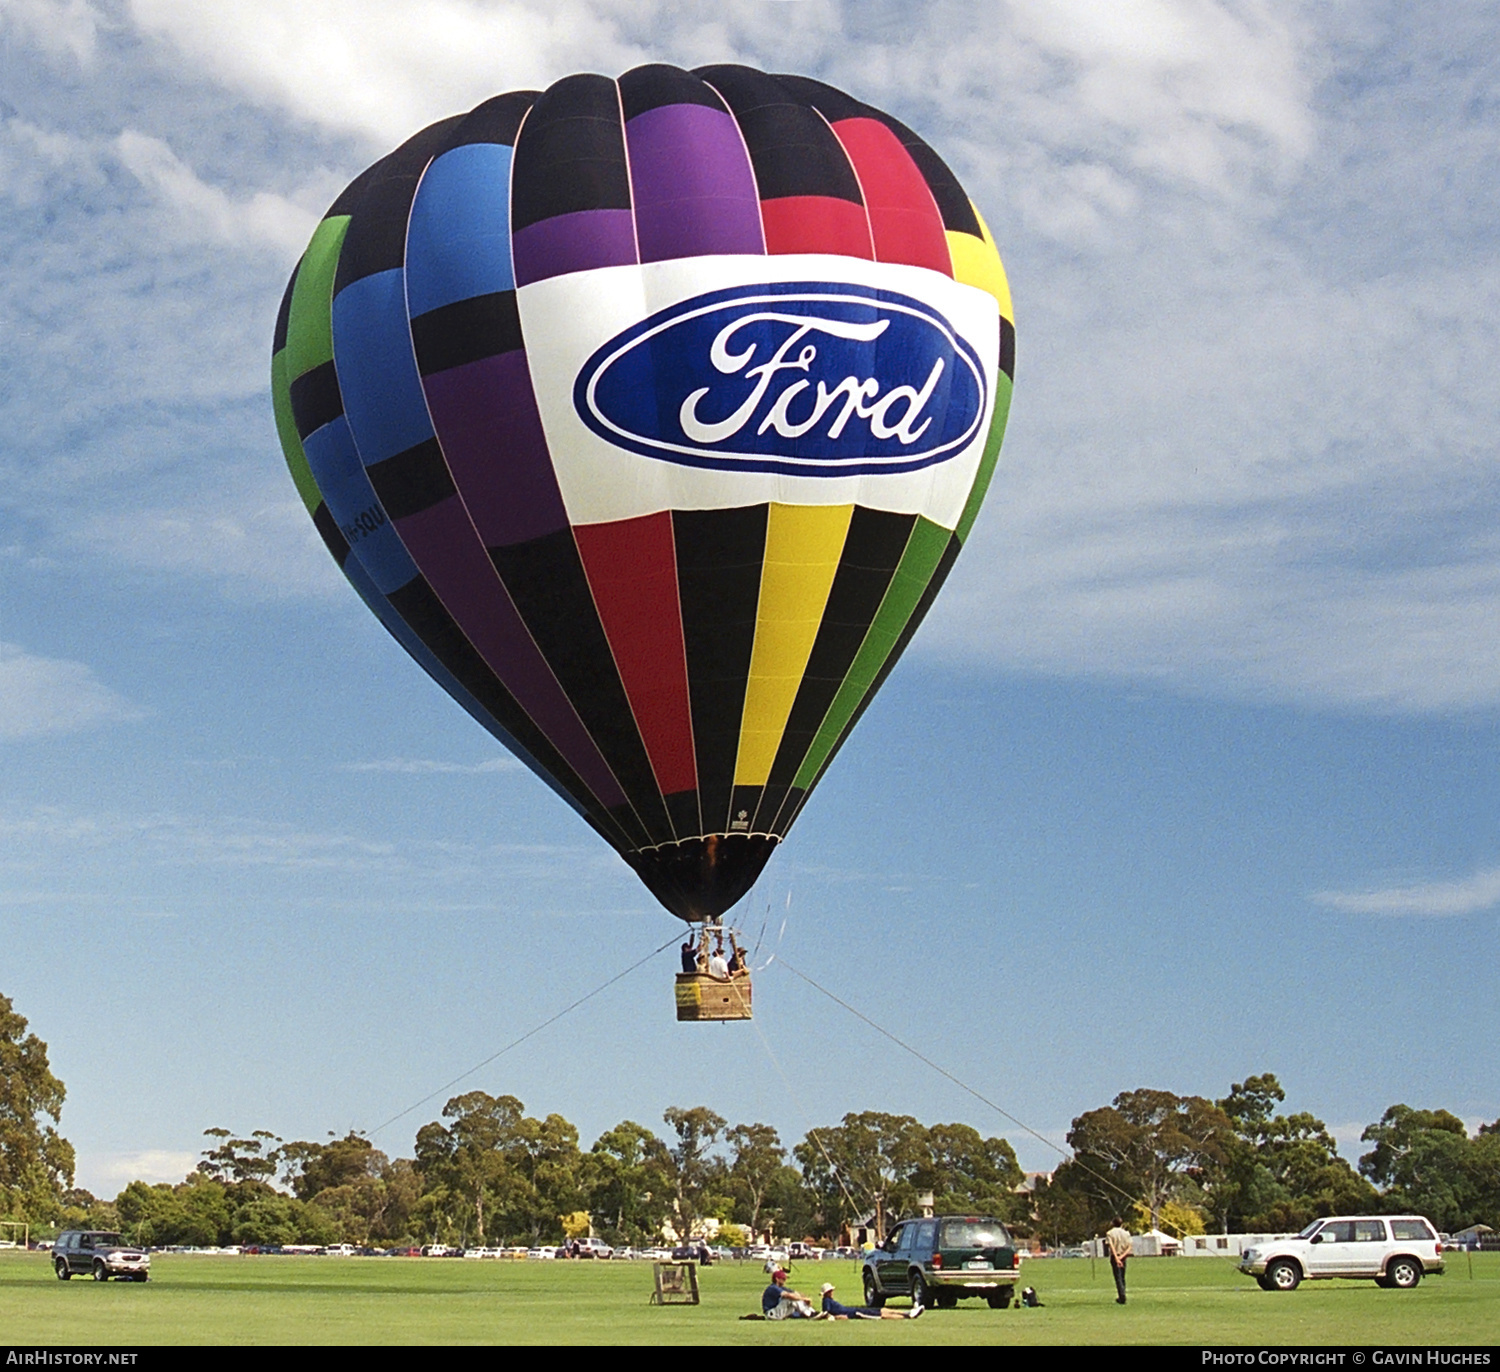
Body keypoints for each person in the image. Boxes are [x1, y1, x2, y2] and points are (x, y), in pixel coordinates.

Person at [819, 1282, 922, 1320]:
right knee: (880, 1315)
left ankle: (908, 1312)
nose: (832, 1292)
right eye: (830, 1291)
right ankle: (907, 1316)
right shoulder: (826, 1301)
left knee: (881, 1310)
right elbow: (827, 1313)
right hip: (854, 1313)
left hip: (854, 1310)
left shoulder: (829, 1300)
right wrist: (838, 1317)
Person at [1105, 1219, 1132, 1304]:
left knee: (1118, 1277)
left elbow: (1111, 1246)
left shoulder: (1110, 1233)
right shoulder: (1126, 1233)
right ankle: (1122, 1293)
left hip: (1115, 1256)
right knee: (1122, 1276)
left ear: (1113, 1223)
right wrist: (1121, 1257)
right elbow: (1129, 1247)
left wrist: (1117, 1258)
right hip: (1123, 1257)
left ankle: (1122, 1296)